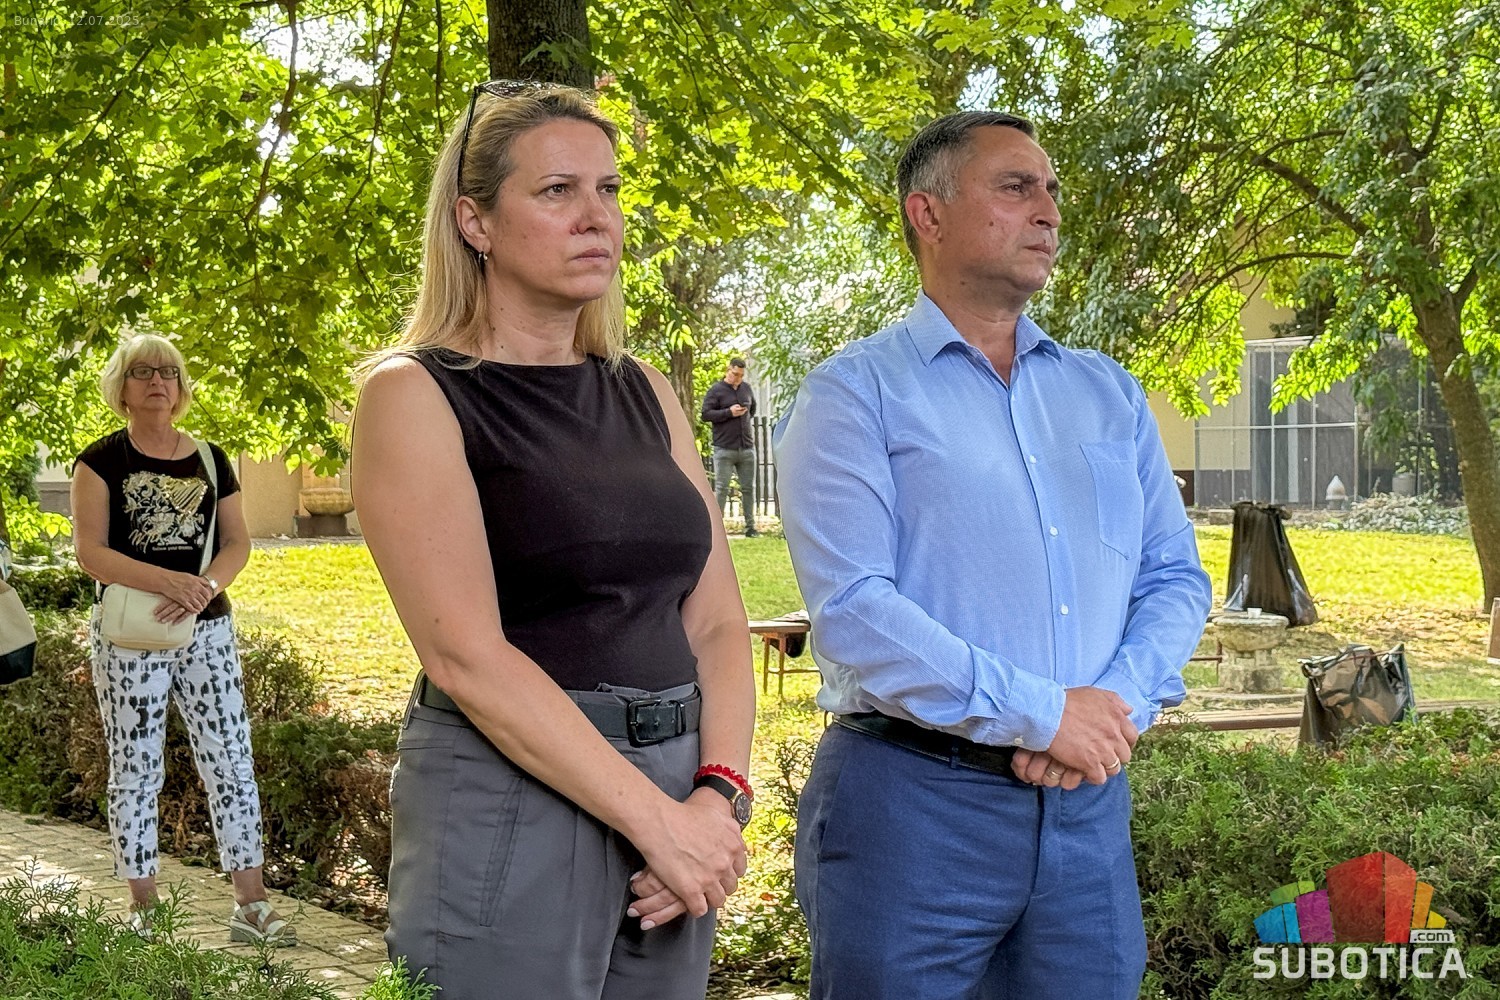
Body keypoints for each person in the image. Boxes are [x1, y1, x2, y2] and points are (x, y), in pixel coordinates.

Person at [773, 111, 1213, 999]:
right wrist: (1043, 714)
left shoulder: (1108, 394)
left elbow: (1174, 577)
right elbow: (854, 610)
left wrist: (1111, 709)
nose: (1048, 210)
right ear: (927, 214)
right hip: (914, 809)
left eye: (1051, 190)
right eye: (1016, 187)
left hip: (1087, 813)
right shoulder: (853, 395)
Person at [352, 80, 756, 999]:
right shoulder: (414, 394)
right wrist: (657, 823)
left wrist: (715, 799)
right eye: (556, 191)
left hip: (682, 792)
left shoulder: (646, 391)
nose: (595, 216)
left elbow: (719, 624)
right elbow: (466, 656)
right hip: (513, 795)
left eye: (608, 190)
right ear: (476, 222)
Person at [71, 334, 295, 946]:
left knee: (231, 759)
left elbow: (238, 542)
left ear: (181, 387)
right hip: (130, 633)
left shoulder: (212, 460)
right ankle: (144, 909)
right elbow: (91, 552)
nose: (157, 381)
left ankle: (251, 903)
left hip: (208, 627)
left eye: (168, 371)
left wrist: (203, 588)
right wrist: (169, 582)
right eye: (142, 371)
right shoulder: (99, 462)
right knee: (136, 766)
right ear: (121, 387)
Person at [700, 358, 760, 536]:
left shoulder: (746, 389)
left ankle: (750, 527)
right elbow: (706, 414)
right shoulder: (716, 390)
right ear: (728, 370)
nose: (738, 378)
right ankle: (718, 529)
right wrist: (728, 412)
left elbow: (752, 409)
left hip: (746, 447)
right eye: (735, 374)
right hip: (724, 448)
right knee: (722, 488)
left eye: (741, 376)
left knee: (748, 488)